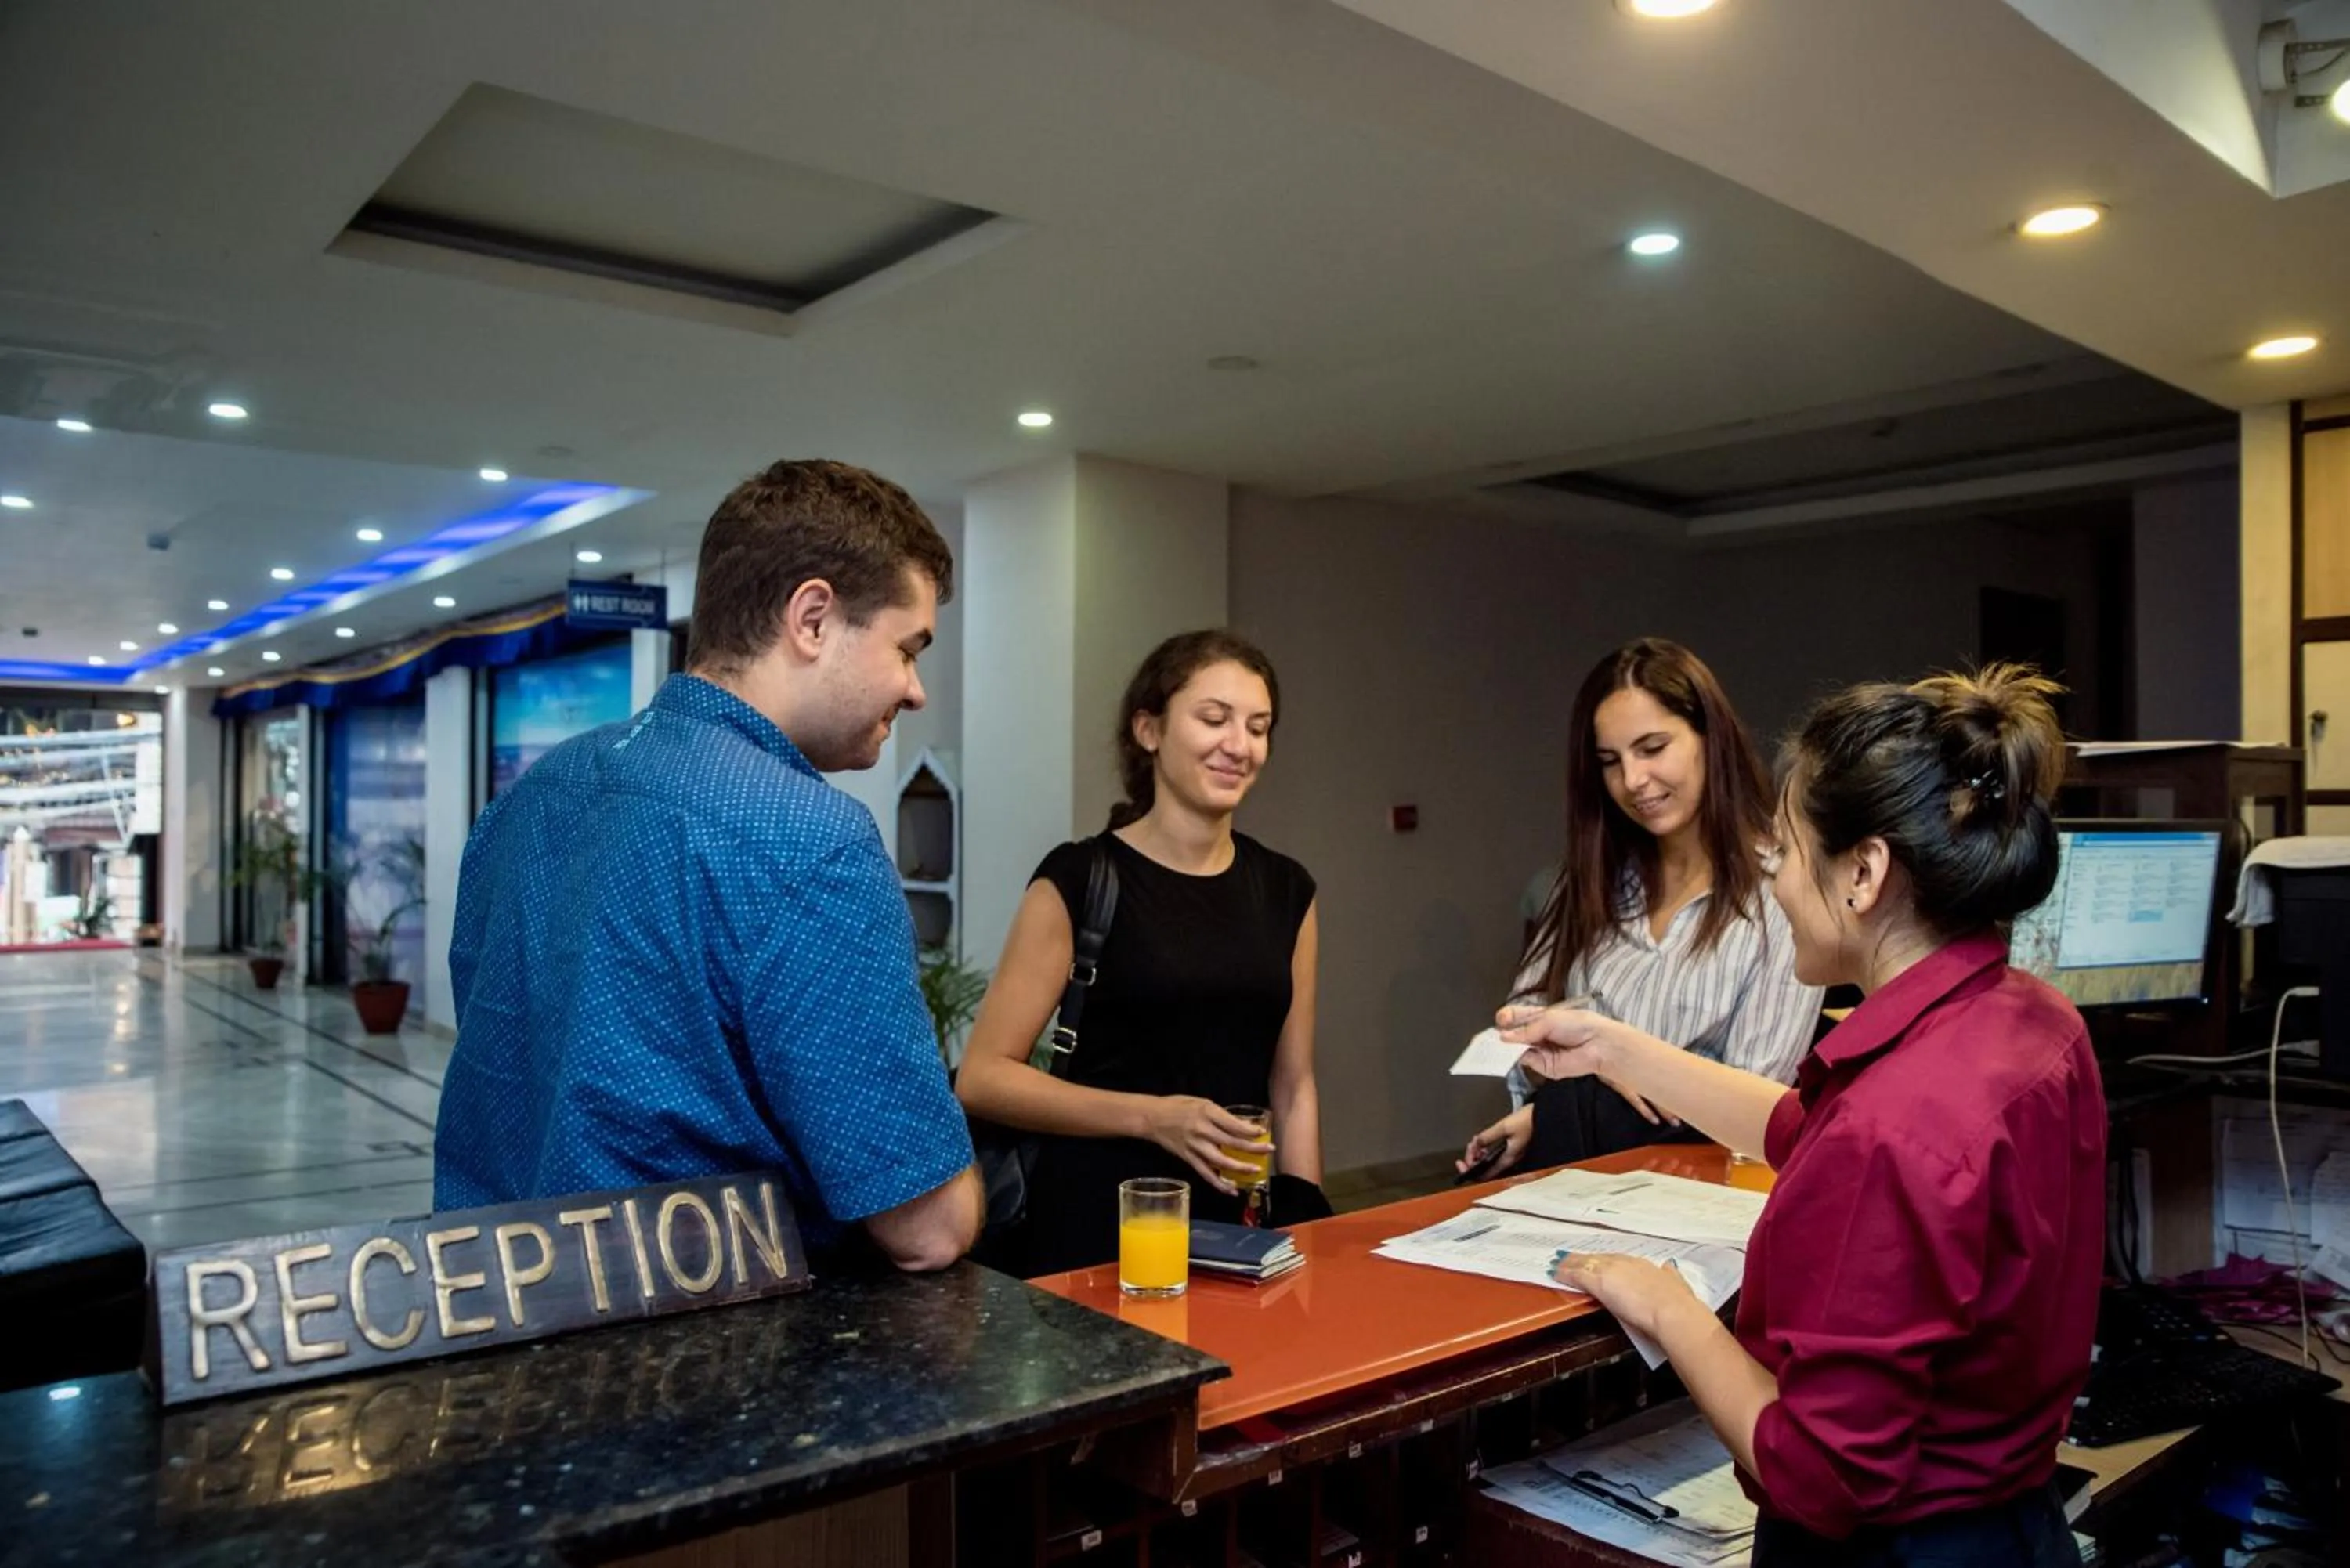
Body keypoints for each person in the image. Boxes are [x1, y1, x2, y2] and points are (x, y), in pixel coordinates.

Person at [1499, 666, 2101, 1566]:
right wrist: (1612, 1048)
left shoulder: (1891, 1128)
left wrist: (1671, 1308)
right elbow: (1798, 1126)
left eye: (1783, 852)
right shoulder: (2035, 1021)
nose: (1775, 885)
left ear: (1863, 872)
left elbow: (1821, 1476)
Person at [434, 459, 981, 1273]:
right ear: (812, 619)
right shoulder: (810, 840)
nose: (915, 690)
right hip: (699, 1330)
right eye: (907, 650)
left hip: (497, 1301)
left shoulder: (534, 794)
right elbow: (926, 1229)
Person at [955, 630, 1321, 1276]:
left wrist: (1307, 1221)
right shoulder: (1080, 879)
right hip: (1098, 1222)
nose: (1239, 745)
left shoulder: (1287, 890)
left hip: (1239, 1230)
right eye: (1214, 719)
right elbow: (984, 1077)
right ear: (1149, 730)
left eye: (1258, 727)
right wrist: (1154, 1118)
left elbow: (1293, 1087)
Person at [1462, 639, 1819, 1177]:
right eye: (1610, 762)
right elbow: (1521, 1038)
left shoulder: (1780, 891)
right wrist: (1570, 1091)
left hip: (1696, 1185)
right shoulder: (1587, 882)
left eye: (1652, 748)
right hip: (1577, 1174)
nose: (1632, 781)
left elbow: (1758, 1102)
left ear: (1710, 739)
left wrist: (1612, 1063)